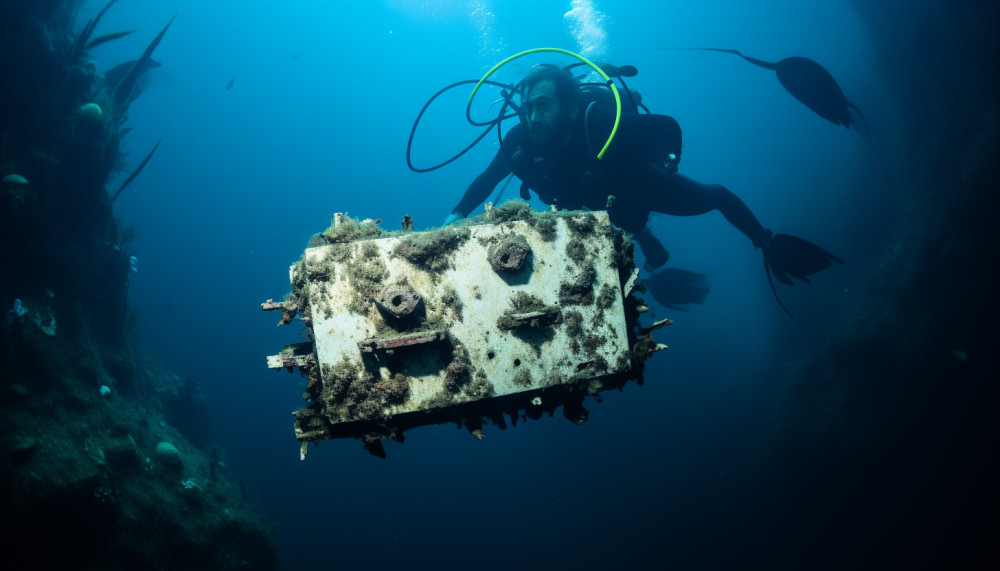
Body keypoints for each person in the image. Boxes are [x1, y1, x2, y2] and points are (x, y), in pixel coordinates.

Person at [444, 64, 841, 315]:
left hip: (641, 186)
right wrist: (456, 215)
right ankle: (641, 235)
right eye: (529, 107)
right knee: (619, 231)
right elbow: (486, 179)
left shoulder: (597, 120)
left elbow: (666, 126)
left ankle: (766, 241)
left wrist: (670, 159)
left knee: (715, 195)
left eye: (544, 105)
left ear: (569, 106)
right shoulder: (520, 141)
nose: (533, 117)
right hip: (591, 209)